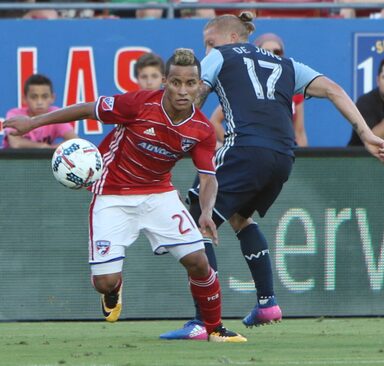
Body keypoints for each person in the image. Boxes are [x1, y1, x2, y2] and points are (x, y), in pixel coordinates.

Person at [160, 12, 384, 341]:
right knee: (241, 217)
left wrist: (172, 126)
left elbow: (196, 96)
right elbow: (335, 89)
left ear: (232, 38)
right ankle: (267, 303)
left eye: (209, 42)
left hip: (245, 148)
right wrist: (366, 133)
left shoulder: (219, 56)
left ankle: (204, 322)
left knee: (197, 214)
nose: (205, 51)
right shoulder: (288, 65)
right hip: (283, 156)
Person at [4, 48, 246, 343]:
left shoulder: (201, 129)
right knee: (103, 283)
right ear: (166, 82)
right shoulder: (137, 103)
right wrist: (31, 123)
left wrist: (206, 211)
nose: (183, 91)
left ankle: (215, 328)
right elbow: (86, 108)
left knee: (198, 260)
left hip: (159, 193)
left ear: (199, 85)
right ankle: (114, 288)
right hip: (112, 194)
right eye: (176, 83)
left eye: (191, 83)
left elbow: (208, 176)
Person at [3, 74, 78, 148]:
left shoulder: (56, 114)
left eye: (44, 97)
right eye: (34, 97)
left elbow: (75, 140)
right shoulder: (14, 115)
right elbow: (16, 144)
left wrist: (51, 149)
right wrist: (43, 147)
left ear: (52, 98)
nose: (39, 102)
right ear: (24, 99)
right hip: (16, 159)